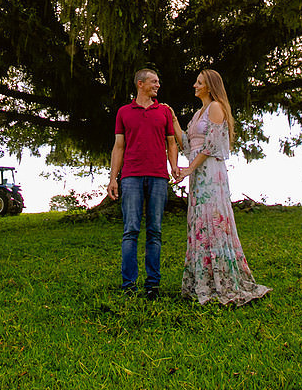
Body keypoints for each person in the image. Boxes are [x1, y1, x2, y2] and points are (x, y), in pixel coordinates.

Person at [172, 69, 270, 305]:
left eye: (199, 82)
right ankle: (204, 280)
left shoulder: (216, 107)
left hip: (211, 173)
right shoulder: (198, 113)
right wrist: (173, 119)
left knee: (213, 219)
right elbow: (187, 143)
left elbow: (211, 145)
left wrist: (189, 169)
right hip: (198, 173)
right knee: (199, 221)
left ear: (209, 86)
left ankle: (223, 279)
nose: (194, 85)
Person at [107, 68, 180, 299]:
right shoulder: (124, 112)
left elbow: (172, 143)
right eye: (154, 81)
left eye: (158, 82)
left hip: (158, 177)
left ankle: (152, 286)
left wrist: (174, 166)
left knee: (155, 231)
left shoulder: (164, 112)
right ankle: (128, 285)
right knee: (131, 230)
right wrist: (113, 178)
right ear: (140, 84)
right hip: (131, 177)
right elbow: (119, 146)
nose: (158, 85)